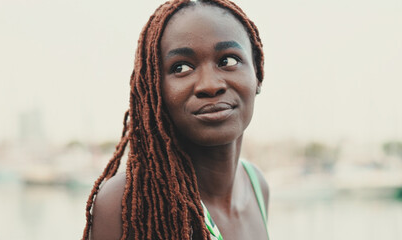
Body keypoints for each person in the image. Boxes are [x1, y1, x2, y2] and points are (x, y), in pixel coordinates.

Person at [82, 0, 268, 239]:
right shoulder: (127, 200)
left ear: (258, 73)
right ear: (155, 89)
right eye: (181, 68)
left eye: (227, 61)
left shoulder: (257, 185)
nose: (210, 85)